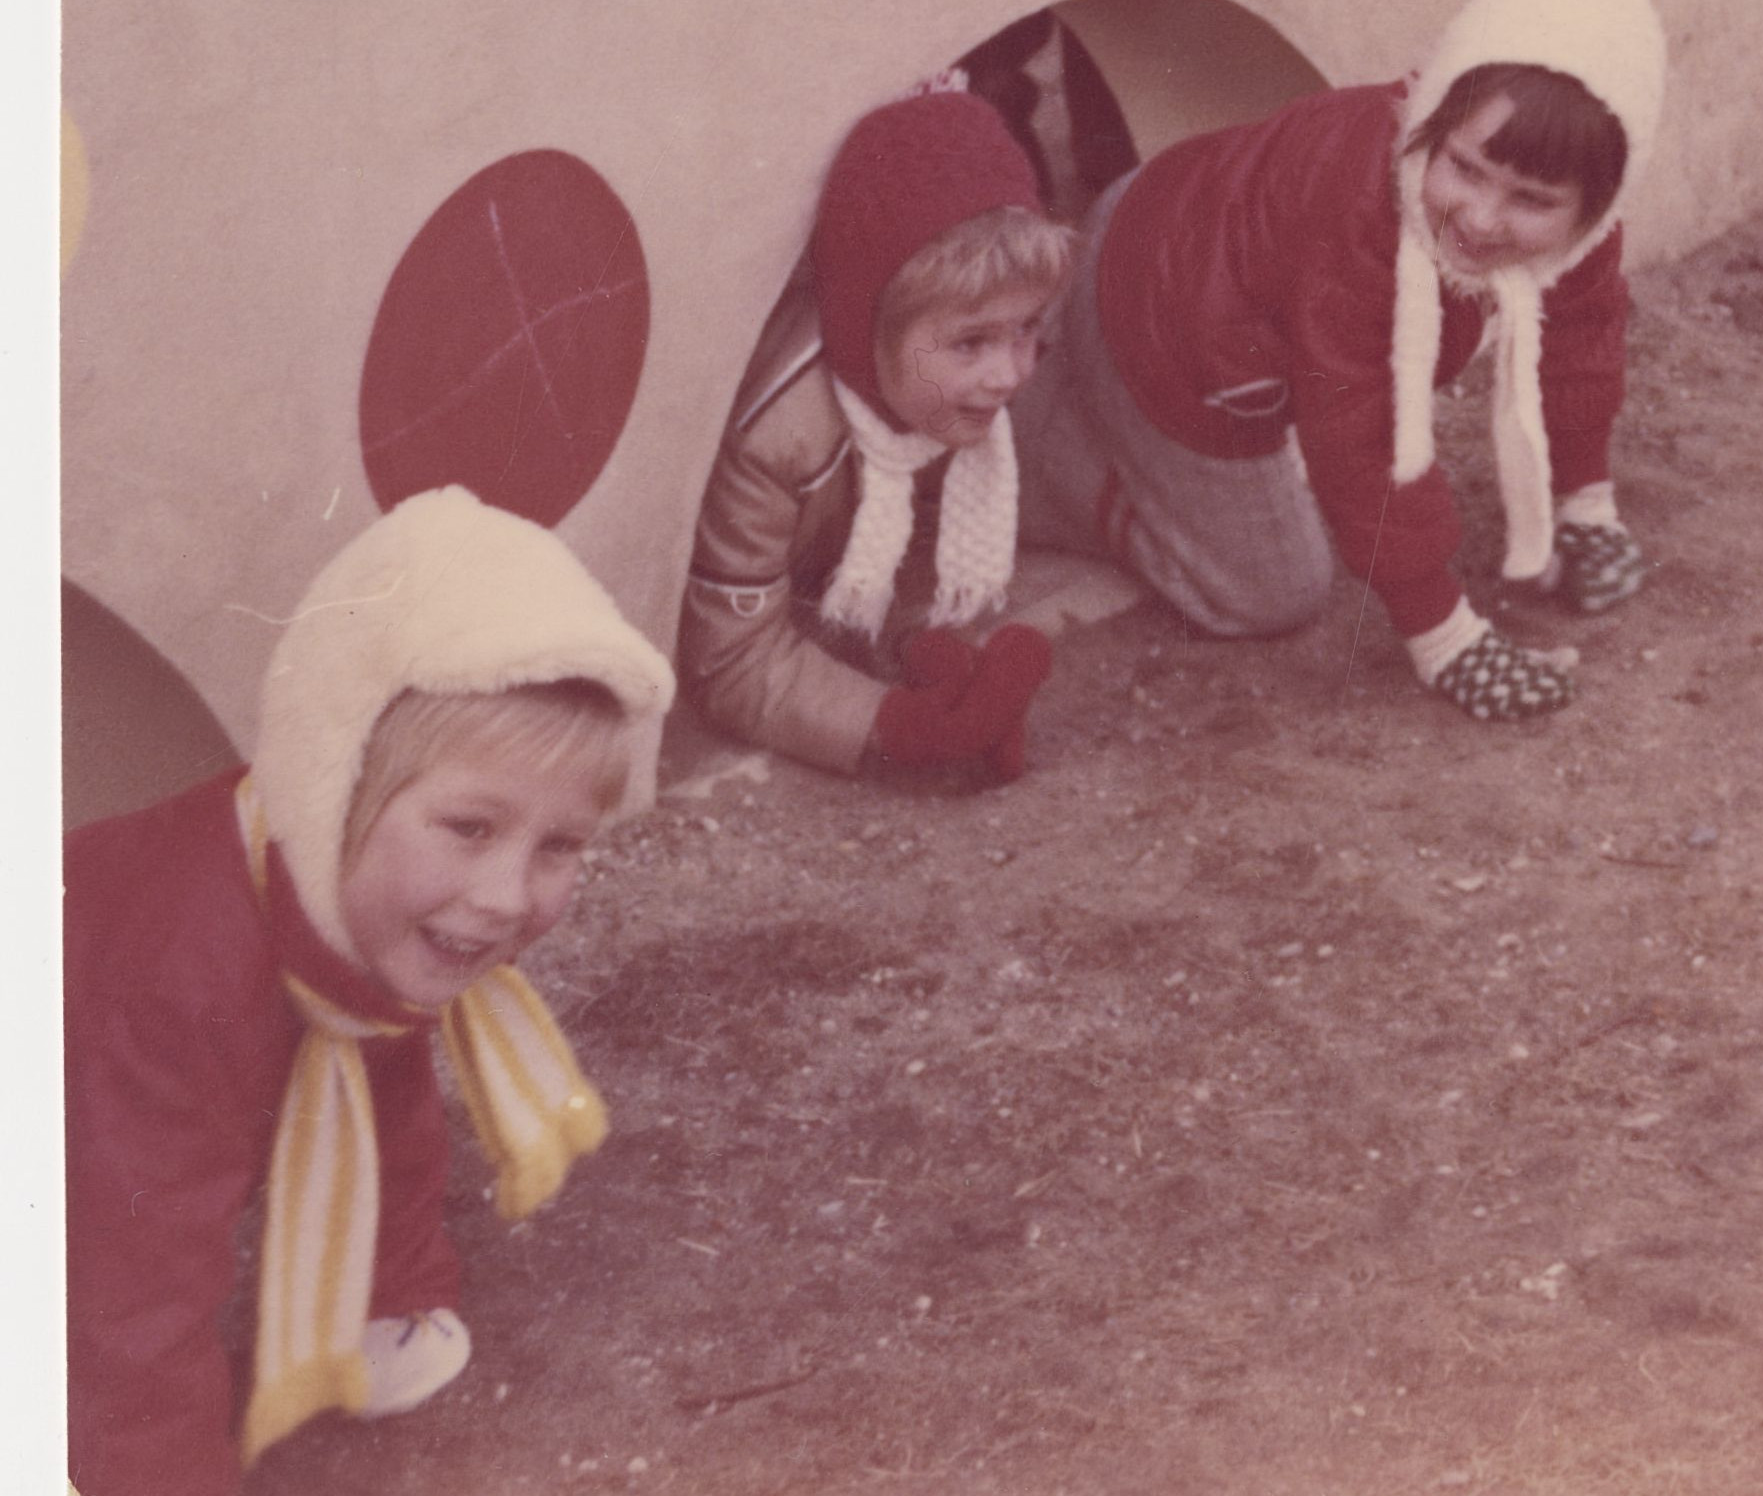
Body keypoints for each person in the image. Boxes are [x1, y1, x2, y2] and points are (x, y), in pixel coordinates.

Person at [67, 488, 674, 1490]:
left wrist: (396, 1288)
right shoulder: (181, 980)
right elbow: (136, 1278)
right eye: (471, 826)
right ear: (334, 782)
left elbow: (386, 1098)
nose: (504, 896)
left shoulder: (365, 913)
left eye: (558, 844)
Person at [1013, 0, 1665, 724]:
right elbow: (1364, 435)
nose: (1483, 217)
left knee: (1306, 491)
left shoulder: (1580, 229)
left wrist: (1583, 501)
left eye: (1531, 198)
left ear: (1593, 205)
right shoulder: (1359, 220)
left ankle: (1080, 388)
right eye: (1465, 167)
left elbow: (1581, 339)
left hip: (1178, 218)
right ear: (1434, 112)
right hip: (1168, 325)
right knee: (1270, 591)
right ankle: (1047, 459)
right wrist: (1445, 634)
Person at [677, 82, 1075, 786]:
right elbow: (729, 658)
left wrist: (928, 649)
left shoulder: (944, 394)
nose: (1009, 373)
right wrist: (885, 726)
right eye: (972, 341)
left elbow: (921, 538)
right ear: (874, 328)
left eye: (1026, 329)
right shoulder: (778, 435)